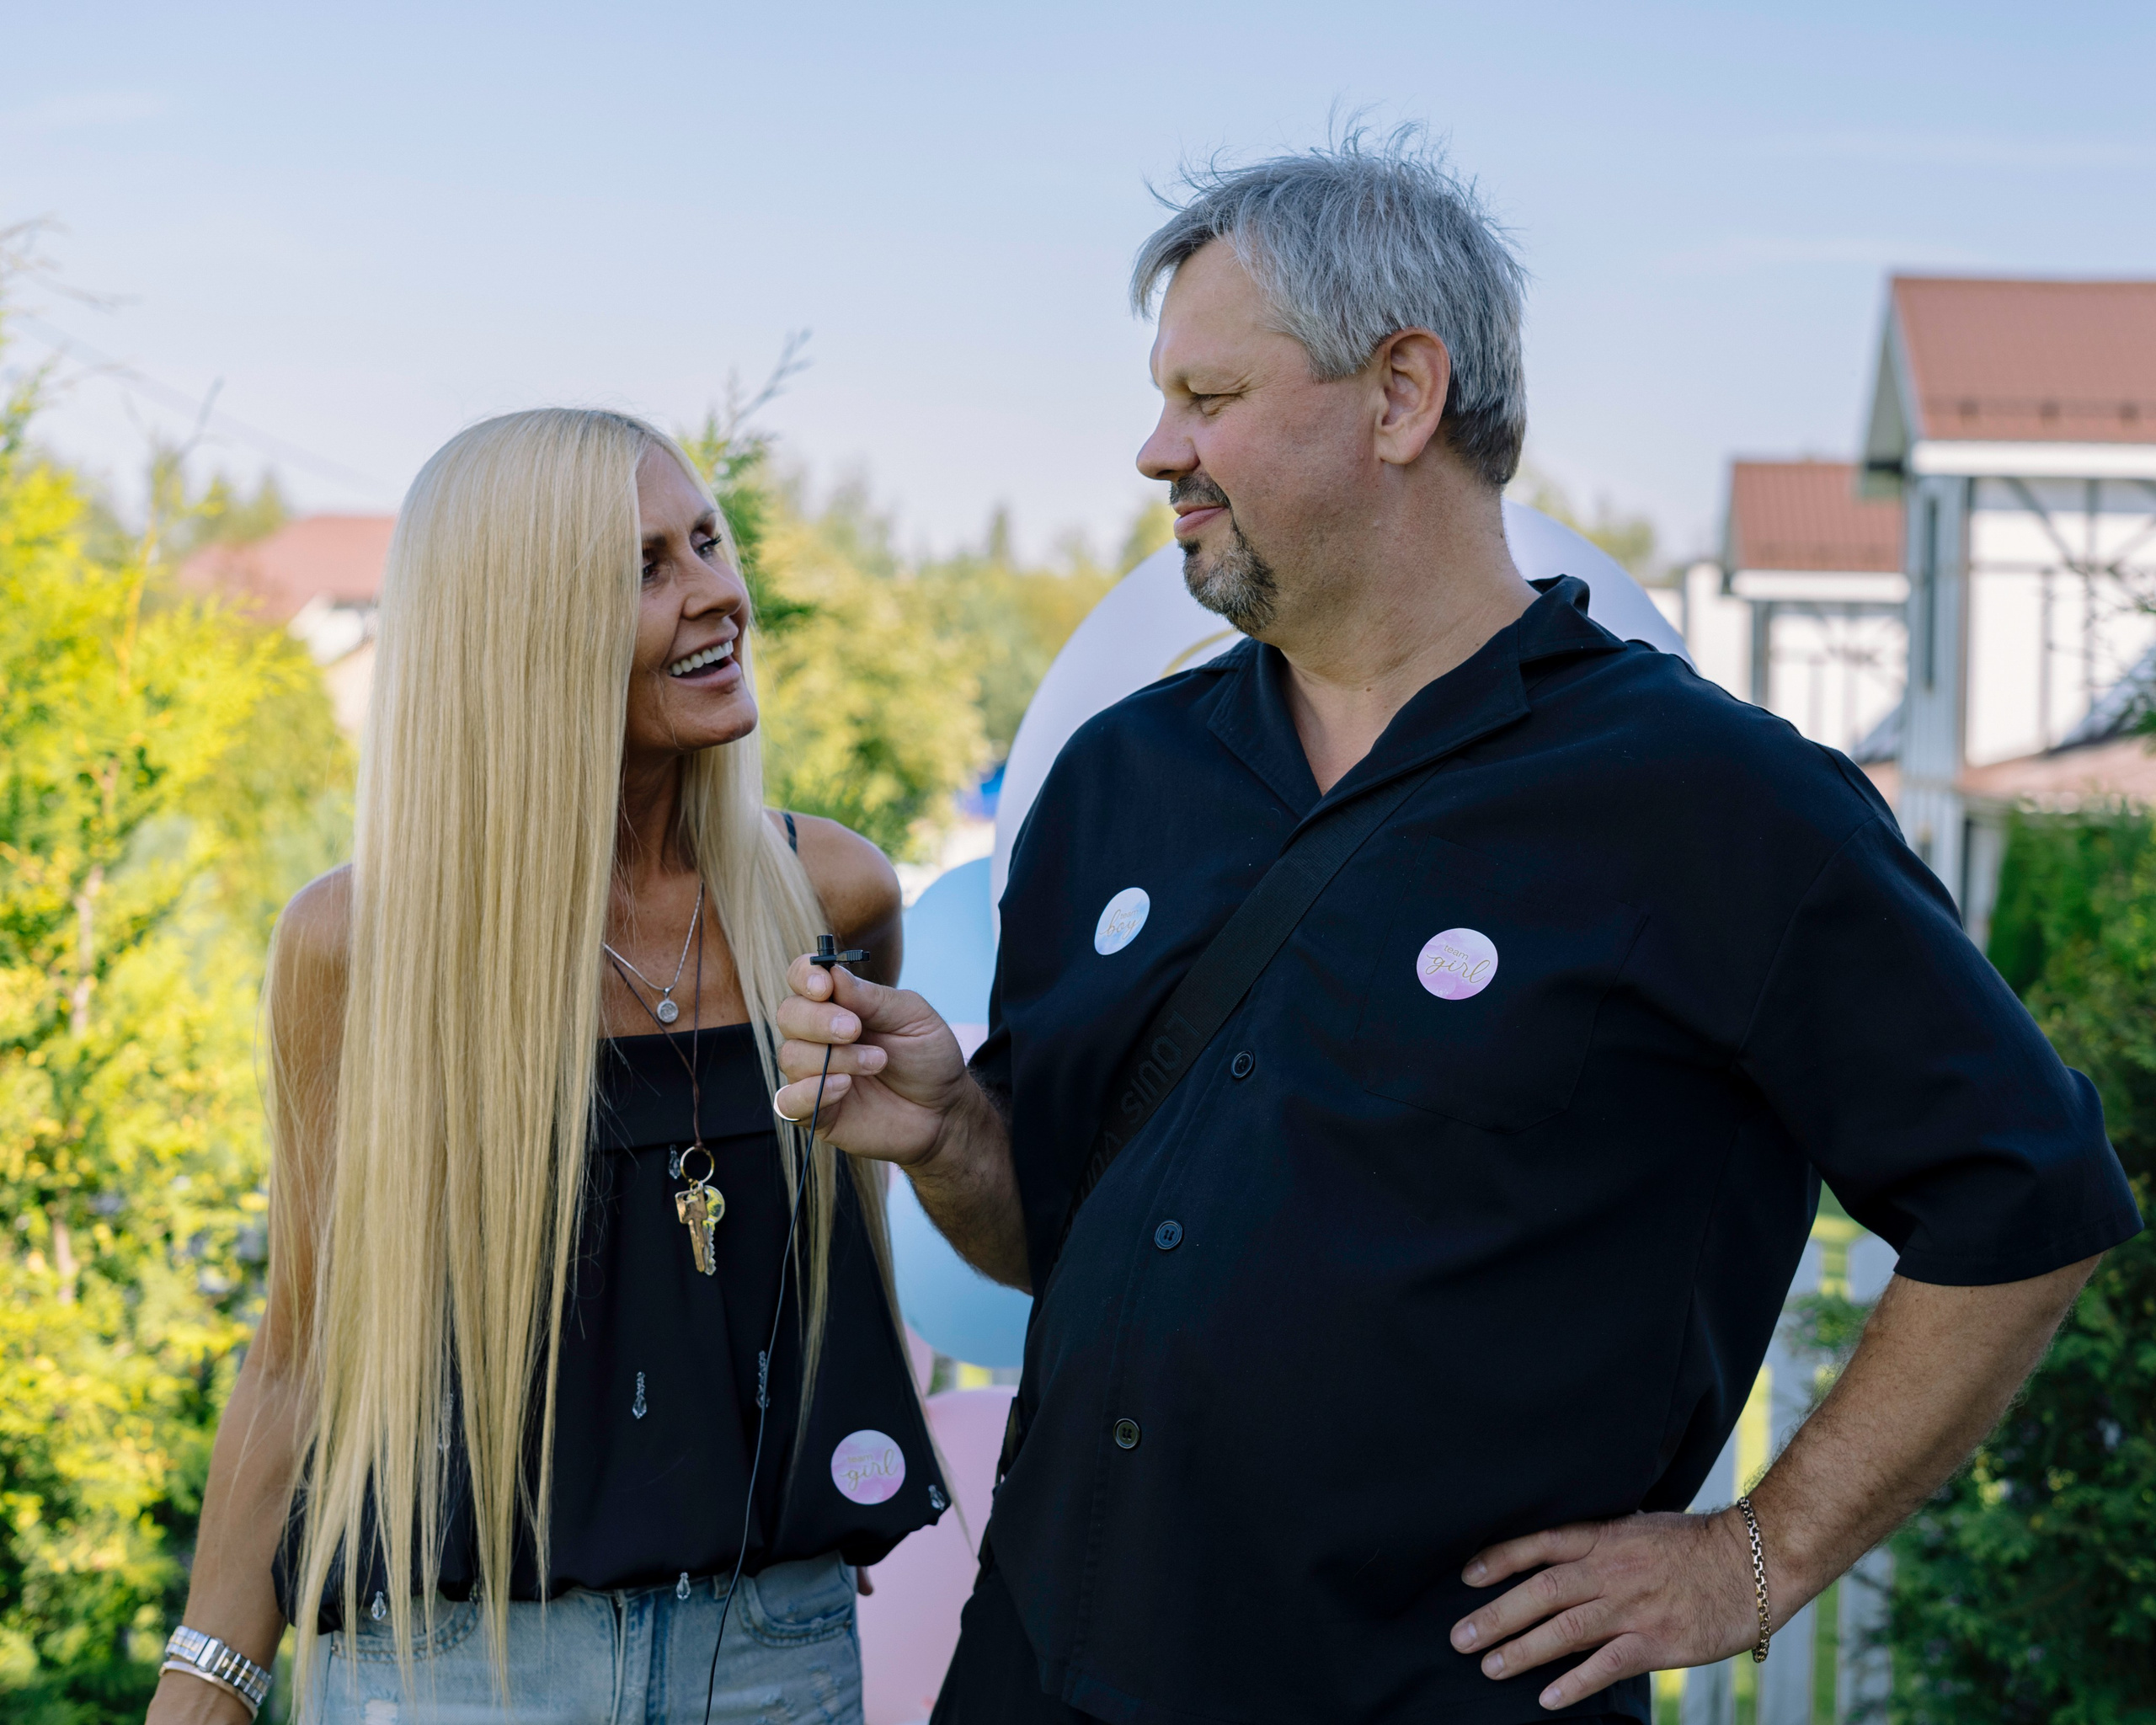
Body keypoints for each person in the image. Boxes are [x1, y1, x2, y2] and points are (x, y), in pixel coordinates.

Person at [771, 136, 2143, 1724]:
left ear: (1402, 395)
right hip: (1043, 1678)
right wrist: (951, 1134)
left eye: (1208, 400)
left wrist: (1755, 1556)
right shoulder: (1118, 777)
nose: (1158, 451)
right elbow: (1060, 1241)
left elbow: (2027, 1199)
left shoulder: (1715, 801)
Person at [147, 409, 945, 1725]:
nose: (717, 595)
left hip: (770, 1653)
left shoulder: (829, 897)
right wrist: (209, 1680)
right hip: (456, 1667)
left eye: (706, 541)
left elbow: (850, 1232)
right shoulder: (361, 950)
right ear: (521, 630)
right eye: (645, 569)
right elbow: (302, 1348)